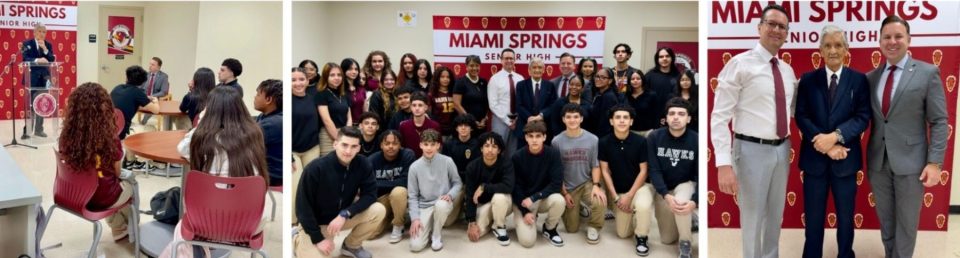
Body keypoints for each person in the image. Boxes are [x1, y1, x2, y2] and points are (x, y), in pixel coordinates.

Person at [710, 4, 798, 258]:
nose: (776, 30)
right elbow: (719, 117)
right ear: (759, 27)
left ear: (786, 33)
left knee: (775, 215)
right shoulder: (739, 65)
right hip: (750, 150)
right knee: (752, 217)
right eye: (771, 24)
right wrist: (723, 163)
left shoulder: (787, 70)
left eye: (782, 26)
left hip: (783, 149)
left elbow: (792, 111)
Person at [867, 15, 947, 258]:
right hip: (878, 163)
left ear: (909, 39)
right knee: (887, 222)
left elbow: (939, 121)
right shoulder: (870, 78)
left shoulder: (927, 72)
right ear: (879, 41)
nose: (892, 41)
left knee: (906, 224)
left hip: (912, 164)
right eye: (887, 37)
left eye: (898, 36)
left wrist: (934, 162)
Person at [163, 86, 269, 257]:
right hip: (249, 222)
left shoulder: (203, 138)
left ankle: (198, 250)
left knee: (181, 227)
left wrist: (200, 123)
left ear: (209, 110)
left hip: (203, 220)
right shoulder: (254, 134)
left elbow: (181, 149)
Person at [794, 25, 871, 258]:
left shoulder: (859, 80)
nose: (833, 50)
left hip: (845, 161)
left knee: (846, 219)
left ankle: (845, 254)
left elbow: (862, 117)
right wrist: (826, 145)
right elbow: (801, 116)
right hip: (815, 162)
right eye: (827, 45)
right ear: (820, 50)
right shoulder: (808, 80)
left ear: (847, 49)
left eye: (838, 45)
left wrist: (835, 137)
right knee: (814, 219)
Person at [59, 82, 135, 242]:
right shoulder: (109, 139)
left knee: (107, 183)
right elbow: (116, 172)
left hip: (71, 194)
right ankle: (132, 231)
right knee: (131, 184)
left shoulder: (66, 137)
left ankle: (119, 226)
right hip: (101, 199)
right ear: (105, 108)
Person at [295, 126, 386, 258]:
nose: (348, 151)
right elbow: (302, 208)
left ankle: (351, 245)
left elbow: (370, 195)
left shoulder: (363, 164)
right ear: (335, 144)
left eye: (354, 146)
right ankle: (296, 239)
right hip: (317, 223)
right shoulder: (315, 168)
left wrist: (346, 213)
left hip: (341, 218)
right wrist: (318, 238)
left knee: (378, 210)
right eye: (344, 145)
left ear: (359, 148)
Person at [647, 97, 698, 258]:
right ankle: (690, 220)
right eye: (672, 113)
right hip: (663, 188)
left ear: (689, 118)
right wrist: (665, 195)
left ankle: (685, 243)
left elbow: (700, 174)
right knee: (668, 239)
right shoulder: (654, 137)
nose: (676, 117)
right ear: (666, 117)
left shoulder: (697, 139)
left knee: (682, 203)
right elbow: (654, 170)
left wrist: (694, 201)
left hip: (685, 183)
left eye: (681, 114)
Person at [599, 105, 652, 255]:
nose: (622, 121)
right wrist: (616, 198)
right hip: (620, 191)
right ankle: (634, 215)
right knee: (622, 234)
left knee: (642, 205)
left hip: (641, 187)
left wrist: (629, 196)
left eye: (625, 117)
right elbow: (604, 171)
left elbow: (644, 171)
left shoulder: (641, 141)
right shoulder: (603, 142)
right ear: (611, 121)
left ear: (631, 122)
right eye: (618, 117)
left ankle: (642, 237)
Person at [552, 103, 605, 244]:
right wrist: (564, 193)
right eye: (568, 117)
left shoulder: (593, 139)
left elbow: (595, 165)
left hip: (586, 182)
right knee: (571, 229)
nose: (572, 120)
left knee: (600, 200)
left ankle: (594, 227)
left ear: (581, 119)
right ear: (563, 119)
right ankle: (579, 206)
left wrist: (596, 185)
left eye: (576, 117)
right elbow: (556, 171)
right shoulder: (556, 141)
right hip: (568, 187)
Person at [407, 129, 463, 252]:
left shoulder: (447, 161)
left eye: (433, 144)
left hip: (442, 202)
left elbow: (457, 183)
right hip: (424, 206)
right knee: (415, 247)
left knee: (441, 205)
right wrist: (415, 218)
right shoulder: (414, 167)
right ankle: (429, 225)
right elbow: (412, 196)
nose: (429, 148)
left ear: (438, 145)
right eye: (426, 144)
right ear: (420, 145)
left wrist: (450, 195)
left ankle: (436, 235)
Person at [512, 120, 565, 248]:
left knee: (559, 200)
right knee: (528, 242)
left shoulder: (553, 154)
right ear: (526, 138)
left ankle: (549, 228)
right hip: (523, 201)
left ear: (544, 137)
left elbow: (556, 184)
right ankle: (528, 217)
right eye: (531, 136)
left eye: (538, 136)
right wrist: (525, 211)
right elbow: (515, 187)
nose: (534, 140)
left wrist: (535, 197)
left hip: (541, 198)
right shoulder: (517, 157)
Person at [464, 132, 515, 246]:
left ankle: (499, 226)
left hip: (503, 202)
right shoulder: (472, 167)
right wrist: (472, 222)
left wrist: (484, 187)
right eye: (486, 146)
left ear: (499, 150)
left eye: (494, 146)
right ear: (481, 148)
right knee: (477, 233)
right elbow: (470, 194)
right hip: (484, 204)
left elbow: (509, 186)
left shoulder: (506, 163)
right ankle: (491, 220)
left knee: (499, 196)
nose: (490, 150)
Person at [367, 129, 416, 243]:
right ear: (381, 145)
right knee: (370, 234)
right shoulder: (372, 160)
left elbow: (406, 182)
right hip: (381, 199)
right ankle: (392, 215)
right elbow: (368, 185)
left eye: (395, 143)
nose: (391, 147)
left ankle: (398, 225)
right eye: (387, 143)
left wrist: (378, 184)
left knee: (398, 191)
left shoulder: (408, 155)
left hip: (401, 195)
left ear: (400, 145)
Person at [292, 68, 322, 217]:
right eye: (293, 80)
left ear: (308, 81)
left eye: (301, 79)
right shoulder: (285, 101)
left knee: (312, 185)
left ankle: (309, 218)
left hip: (312, 148)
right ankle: (293, 220)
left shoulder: (313, 98)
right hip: (292, 151)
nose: (298, 83)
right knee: (295, 185)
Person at [441, 113, 480, 226]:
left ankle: (469, 209)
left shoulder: (478, 144)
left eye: (466, 125)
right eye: (460, 125)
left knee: (473, 218)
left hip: (472, 183)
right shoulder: (449, 144)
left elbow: (478, 168)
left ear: (471, 128)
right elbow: (445, 168)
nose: (463, 128)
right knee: (447, 223)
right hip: (455, 183)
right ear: (456, 127)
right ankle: (459, 209)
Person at [21, 23, 56, 139]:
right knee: (30, 105)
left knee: (42, 105)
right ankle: (27, 131)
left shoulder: (48, 45)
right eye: (40, 31)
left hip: (44, 79)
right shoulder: (27, 44)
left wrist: (45, 50)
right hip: (31, 78)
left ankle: (39, 130)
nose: (42, 34)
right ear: (34, 32)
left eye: (44, 32)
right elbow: (25, 58)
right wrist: (37, 59)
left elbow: (51, 59)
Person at [514, 57, 557, 149]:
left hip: (544, 129)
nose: (537, 70)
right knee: (523, 157)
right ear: (529, 70)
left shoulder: (550, 85)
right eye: (534, 67)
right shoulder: (521, 85)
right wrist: (529, 117)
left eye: (539, 67)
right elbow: (519, 105)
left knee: (544, 158)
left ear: (543, 70)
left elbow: (553, 105)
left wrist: (541, 115)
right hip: (524, 128)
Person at [488, 48, 524, 157]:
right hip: (500, 121)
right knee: (498, 151)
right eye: (506, 58)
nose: (509, 60)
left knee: (514, 153)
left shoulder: (520, 78)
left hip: (517, 121)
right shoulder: (495, 79)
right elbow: (493, 104)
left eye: (511, 58)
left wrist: (516, 120)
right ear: (501, 60)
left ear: (515, 60)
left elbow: (522, 101)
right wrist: (508, 121)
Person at [112, 65, 160, 141]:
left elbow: (126, 104)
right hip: (121, 132)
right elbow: (156, 110)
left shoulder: (118, 87)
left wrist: (143, 99)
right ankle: (132, 151)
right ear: (142, 82)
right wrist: (156, 101)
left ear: (127, 77)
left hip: (108, 128)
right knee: (152, 128)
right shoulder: (137, 92)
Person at [317, 63, 352, 155]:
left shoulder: (344, 94)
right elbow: (326, 120)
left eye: (339, 75)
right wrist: (339, 139)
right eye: (332, 75)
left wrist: (347, 133)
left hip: (344, 132)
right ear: (325, 77)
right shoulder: (321, 93)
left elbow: (349, 117)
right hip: (328, 135)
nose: (336, 78)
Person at [254, 79, 283, 187]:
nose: (255, 97)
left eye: (257, 94)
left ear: (269, 99)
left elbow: (242, 141)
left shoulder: (273, 123)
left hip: (272, 174)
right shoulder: (265, 115)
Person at [453, 55, 489, 134]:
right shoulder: (460, 82)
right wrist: (471, 121)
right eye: (471, 65)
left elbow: (486, 102)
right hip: (466, 125)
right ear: (466, 66)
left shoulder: (484, 82)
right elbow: (456, 104)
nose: (475, 68)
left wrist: (484, 119)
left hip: (482, 125)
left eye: (477, 65)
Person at [398, 91, 440, 157]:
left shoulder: (435, 126)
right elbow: (401, 148)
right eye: (414, 105)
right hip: (409, 163)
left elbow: (438, 148)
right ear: (411, 107)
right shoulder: (403, 126)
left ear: (426, 107)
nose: (417, 108)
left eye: (420, 105)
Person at [585, 68, 620, 137]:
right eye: (597, 76)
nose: (598, 79)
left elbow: (605, 124)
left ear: (610, 81)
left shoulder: (609, 97)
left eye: (603, 77)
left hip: (602, 137)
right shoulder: (599, 93)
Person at [625, 70, 660, 136]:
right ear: (629, 81)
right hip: (630, 131)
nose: (635, 81)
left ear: (642, 80)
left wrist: (655, 130)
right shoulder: (625, 96)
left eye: (638, 78)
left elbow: (656, 114)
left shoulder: (651, 95)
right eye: (632, 79)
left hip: (647, 131)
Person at [138, 57, 170, 125]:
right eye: (150, 64)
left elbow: (164, 92)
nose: (150, 66)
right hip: (144, 97)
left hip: (155, 99)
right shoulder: (146, 75)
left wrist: (151, 96)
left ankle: (143, 122)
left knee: (151, 104)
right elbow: (140, 87)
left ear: (158, 67)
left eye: (153, 65)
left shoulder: (164, 76)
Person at [430, 66, 456, 136]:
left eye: (448, 77)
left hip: (453, 130)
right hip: (438, 130)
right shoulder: (432, 94)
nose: (445, 79)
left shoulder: (455, 93)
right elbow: (430, 114)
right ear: (437, 78)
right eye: (442, 77)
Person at [342, 58, 366, 125]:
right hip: (345, 126)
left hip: (360, 125)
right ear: (343, 70)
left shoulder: (361, 89)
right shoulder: (340, 89)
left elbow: (365, 110)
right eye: (350, 69)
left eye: (356, 69)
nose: (354, 72)